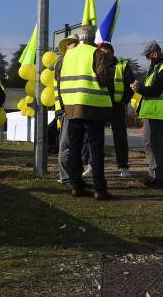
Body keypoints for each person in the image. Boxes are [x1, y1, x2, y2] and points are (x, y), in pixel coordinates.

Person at [58, 25, 113, 200]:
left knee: (74, 148)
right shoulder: (96, 53)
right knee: (95, 148)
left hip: (72, 108)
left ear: (80, 38)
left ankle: (76, 186)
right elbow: (103, 78)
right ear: (93, 38)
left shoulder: (68, 55)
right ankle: (99, 189)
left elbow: (60, 80)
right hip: (92, 107)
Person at [131, 41, 163, 188]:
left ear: (155, 54)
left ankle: (159, 179)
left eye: (148, 57)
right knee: (150, 144)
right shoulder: (158, 67)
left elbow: (156, 90)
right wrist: (141, 88)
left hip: (158, 113)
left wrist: (139, 89)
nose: (147, 60)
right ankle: (153, 175)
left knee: (155, 146)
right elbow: (153, 88)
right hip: (153, 112)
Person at [99, 42, 134, 178]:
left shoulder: (122, 66)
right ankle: (93, 165)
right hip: (100, 105)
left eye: (106, 53)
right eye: (101, 54)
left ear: (112, 52)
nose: (104, 56)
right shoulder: (97, 65)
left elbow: (131, 84)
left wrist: (124, 100)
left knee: (120, 138)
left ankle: (123, 167)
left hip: (117, 106)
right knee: (96, 137)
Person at [54, 33, 80, 185]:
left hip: (73, 107)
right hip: (65, 109)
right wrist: (63, 108)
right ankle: (66, 178)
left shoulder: (72, 62)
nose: (75, 46)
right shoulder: (62, 62)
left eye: (76, 44)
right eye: (72, 44)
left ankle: (73, 177)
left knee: (73, 144)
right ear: (66, 47)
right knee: (66, 145)